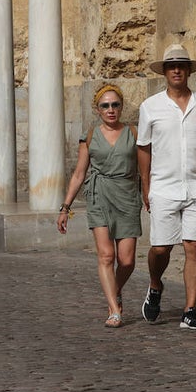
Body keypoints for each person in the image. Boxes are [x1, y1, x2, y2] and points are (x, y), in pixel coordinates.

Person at [137, 43, 196, 331]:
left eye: (181, 65)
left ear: (189, 70)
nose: (177, 70)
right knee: (160, 248)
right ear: (165, 72)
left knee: (194, 248)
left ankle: (190, 310)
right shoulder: (150, 107)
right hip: (164, 187)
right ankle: (156, 285)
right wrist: (146, 185)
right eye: (171, 66)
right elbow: (144, 148)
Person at [56, 84, 142, 328]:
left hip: (126, 195)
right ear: (97, 109)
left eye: (115, 104)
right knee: (107, 255)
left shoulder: (134, 133)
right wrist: (65, 208)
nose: (111, 109)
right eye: (105, 106)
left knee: (127, 261)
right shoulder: (90, 135)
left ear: (121, 107)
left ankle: (114, 288)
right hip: (99, 194)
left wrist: (149, 195)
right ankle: (114, 310)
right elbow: (79, 173)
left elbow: (146, 169)